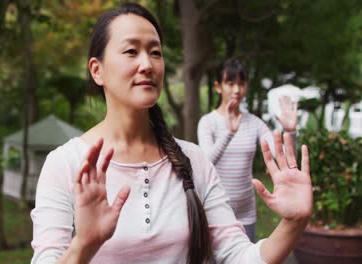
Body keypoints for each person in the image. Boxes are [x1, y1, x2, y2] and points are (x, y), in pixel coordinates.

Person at [31, 3, 312, 263]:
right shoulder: (65, 164)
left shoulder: (192, 159)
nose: (147, 64)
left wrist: (293, 223)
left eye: (155, 52)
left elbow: (238, 255)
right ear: (97, 70)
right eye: (131, 51)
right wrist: (84, 244)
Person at [197, 59, 298, 242]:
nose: (236, 90)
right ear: (218, 87)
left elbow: (284, 157)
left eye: (241, 84)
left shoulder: (254, 123)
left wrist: (290, 132)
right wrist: (228, 133)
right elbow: (206, 162)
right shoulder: (208, 122)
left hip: (246, 214)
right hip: (214, 212)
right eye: (230, 83)